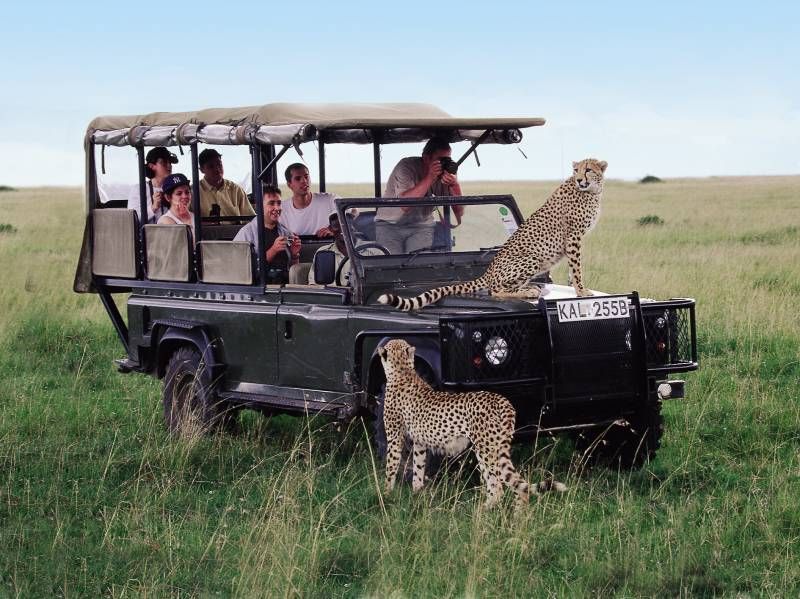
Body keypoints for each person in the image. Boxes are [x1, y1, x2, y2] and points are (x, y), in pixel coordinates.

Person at [375, 137, 464, 254]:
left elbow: (459, 212)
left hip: (421, 226)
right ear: (426, 158)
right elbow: (405, 205)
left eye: (448, 159)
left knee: (419, 265)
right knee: (392, 266)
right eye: (441, 160)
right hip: (390, 224)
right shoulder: (406, 167)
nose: (444, 164)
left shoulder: (445, 172)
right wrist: (430, 177)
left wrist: (454, 185)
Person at [234, 184, 301, 284]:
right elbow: (240, 270)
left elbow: (292, 271)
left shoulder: (285, 232)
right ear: (259, 207)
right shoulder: (246, 233)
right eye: (271, 203)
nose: (277, 208)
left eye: (279, 203)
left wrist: (295, 255)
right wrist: (273, 251)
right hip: (259, 291)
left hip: (284, 288)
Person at [309, 211, 383, 285]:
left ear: (354, 227)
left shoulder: (375, 251)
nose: (342, 228)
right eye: (336, 225)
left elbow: (383, 283)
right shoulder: (323, 253)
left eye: (346, 223)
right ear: (330, 229)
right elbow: (315, 285)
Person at [279, 163, 339, 237]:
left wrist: (333, 229)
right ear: (289, 185)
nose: (304, 181)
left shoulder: (329, 199)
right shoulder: (281, 209)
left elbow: (352, 212)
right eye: (298, 178)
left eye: (306, 177)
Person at [198, 148, 255, 218]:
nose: (217, 169)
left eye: (219, 164)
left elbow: (250, 219)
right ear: (201, 170)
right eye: (211, 166)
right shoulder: (193, 192)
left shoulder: (236, 190)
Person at [126, 146, 178, 223]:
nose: (169, 165)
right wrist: (153, 208)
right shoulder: (139, 189)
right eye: (163, 162)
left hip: (171, 233)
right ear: (152, 166)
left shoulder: (175, 189)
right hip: (147, 234)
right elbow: (132, 219)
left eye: (170, 162)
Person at [156, 173, 195, 238]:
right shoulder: (165, 221)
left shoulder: (194, 216)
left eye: (187, 192)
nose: (184, 196)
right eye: (179, 193)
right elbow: (183, 246)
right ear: (168, 197)